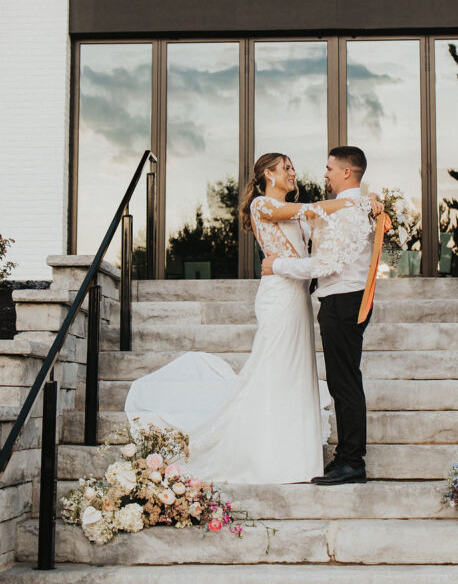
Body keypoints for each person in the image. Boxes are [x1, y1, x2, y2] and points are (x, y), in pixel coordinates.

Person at [124, 152, 369, 485]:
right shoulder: (261, 206)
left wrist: (369, 205)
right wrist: (351, 203)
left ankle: (297, 456)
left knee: (296, 374)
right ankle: (263, 454)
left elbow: (316, 233)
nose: (294, 172)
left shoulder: (300, 217)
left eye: (293, 167)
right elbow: (302, 209)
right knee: (272, 369)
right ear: (268, 174)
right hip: (279, 297)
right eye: (286, 168)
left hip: (299, 298)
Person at [261, 146, 375, 486]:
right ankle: (346, 457)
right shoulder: (348, 207)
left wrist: (277, 265)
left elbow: (325, 264)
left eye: (328, 168)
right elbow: (316, 235)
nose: (323, 174)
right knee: (343, 382)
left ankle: (352, 461)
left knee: (345, 383)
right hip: (337, 300)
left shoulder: (351, 210)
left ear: (345, 173)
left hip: (343, 301)